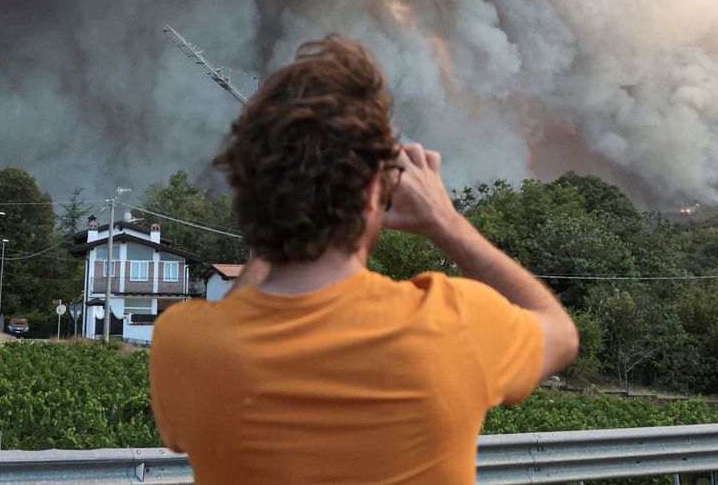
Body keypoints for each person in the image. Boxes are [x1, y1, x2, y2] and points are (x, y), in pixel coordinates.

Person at [149, 34, 580, 484]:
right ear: (376, 188)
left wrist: (275, 221)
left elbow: (242, 306)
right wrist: (444, 221)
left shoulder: (182, 346)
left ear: (248, 190)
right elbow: (561, 334)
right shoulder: (448, 324)